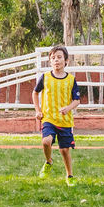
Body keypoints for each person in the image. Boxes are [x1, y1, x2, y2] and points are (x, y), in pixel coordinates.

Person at [33, 45, 82, 186]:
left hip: (65, 121)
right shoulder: (45, 77)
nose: (56, 60)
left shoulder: (71, 80)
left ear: (66, 61)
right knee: (46, 141)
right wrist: (38, 110)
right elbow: (35, 93)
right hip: (49, 118)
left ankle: (70, 176)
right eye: (53, 58)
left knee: (64, 150)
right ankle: (48, 162)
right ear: (50, 61)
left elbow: (77, 100)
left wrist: (68, 108)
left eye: (59, 57)